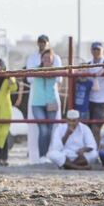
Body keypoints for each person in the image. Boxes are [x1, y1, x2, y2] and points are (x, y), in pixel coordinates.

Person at [25, 34, 62, 163]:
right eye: (40, 42)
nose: (42, 44)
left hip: (52, 100)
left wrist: (50, 71)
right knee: (43, 129)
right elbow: (29, 78)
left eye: (45, 42)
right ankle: (41, 156)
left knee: (52, 129)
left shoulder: (56, 64)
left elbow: (60, 79)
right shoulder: (34, 65)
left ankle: (50, 155)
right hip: (37, 101)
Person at [82, 41, 104, 143]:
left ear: (102, 50)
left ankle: (97, 152)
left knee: (96, 127)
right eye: (94, 49)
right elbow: (79, 75)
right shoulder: (88, 63)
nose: (96, 51)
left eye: (98, 49)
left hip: (103, 99)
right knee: (87, 127)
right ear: (91, 51)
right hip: (89, 99)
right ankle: (92, 149)